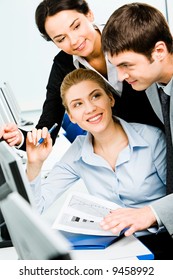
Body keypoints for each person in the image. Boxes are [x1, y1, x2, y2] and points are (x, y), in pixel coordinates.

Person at [26, 68, 166, 247]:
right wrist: (34, 164)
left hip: (162, 240)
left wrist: (150, 215)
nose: (90, 108)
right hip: (119, 247)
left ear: (111, 99)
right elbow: (36, 209)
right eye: (78, 104)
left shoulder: (152, 139)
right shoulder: (77, 152)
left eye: (95, 96)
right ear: (71, 117)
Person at [0, 0, 163, 149]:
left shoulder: (126, 35)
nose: (74, 41)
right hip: (133, 151)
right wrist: (19, 137)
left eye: (76, 26)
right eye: (61, 38)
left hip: (165, 132)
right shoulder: (63, 65)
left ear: (89, 14)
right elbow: (48, 126)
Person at [101, 2, 173, 258]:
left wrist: (151, 213)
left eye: (126, 65)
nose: (120, 77)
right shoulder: (155, 83)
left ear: (159, 51)